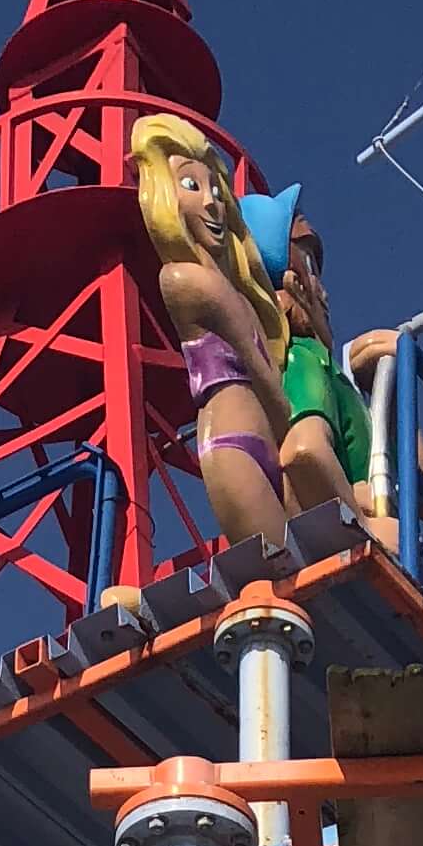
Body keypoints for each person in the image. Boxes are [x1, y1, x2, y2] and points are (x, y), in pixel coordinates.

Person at [129, 114, 293, 548]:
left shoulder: (245, 295)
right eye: (190, 186)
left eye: (217, 190)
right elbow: (265, 378)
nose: (211, 203)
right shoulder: (187, 281)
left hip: (271, 446)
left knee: (300, 577)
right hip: (231, 441)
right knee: (280, 571)